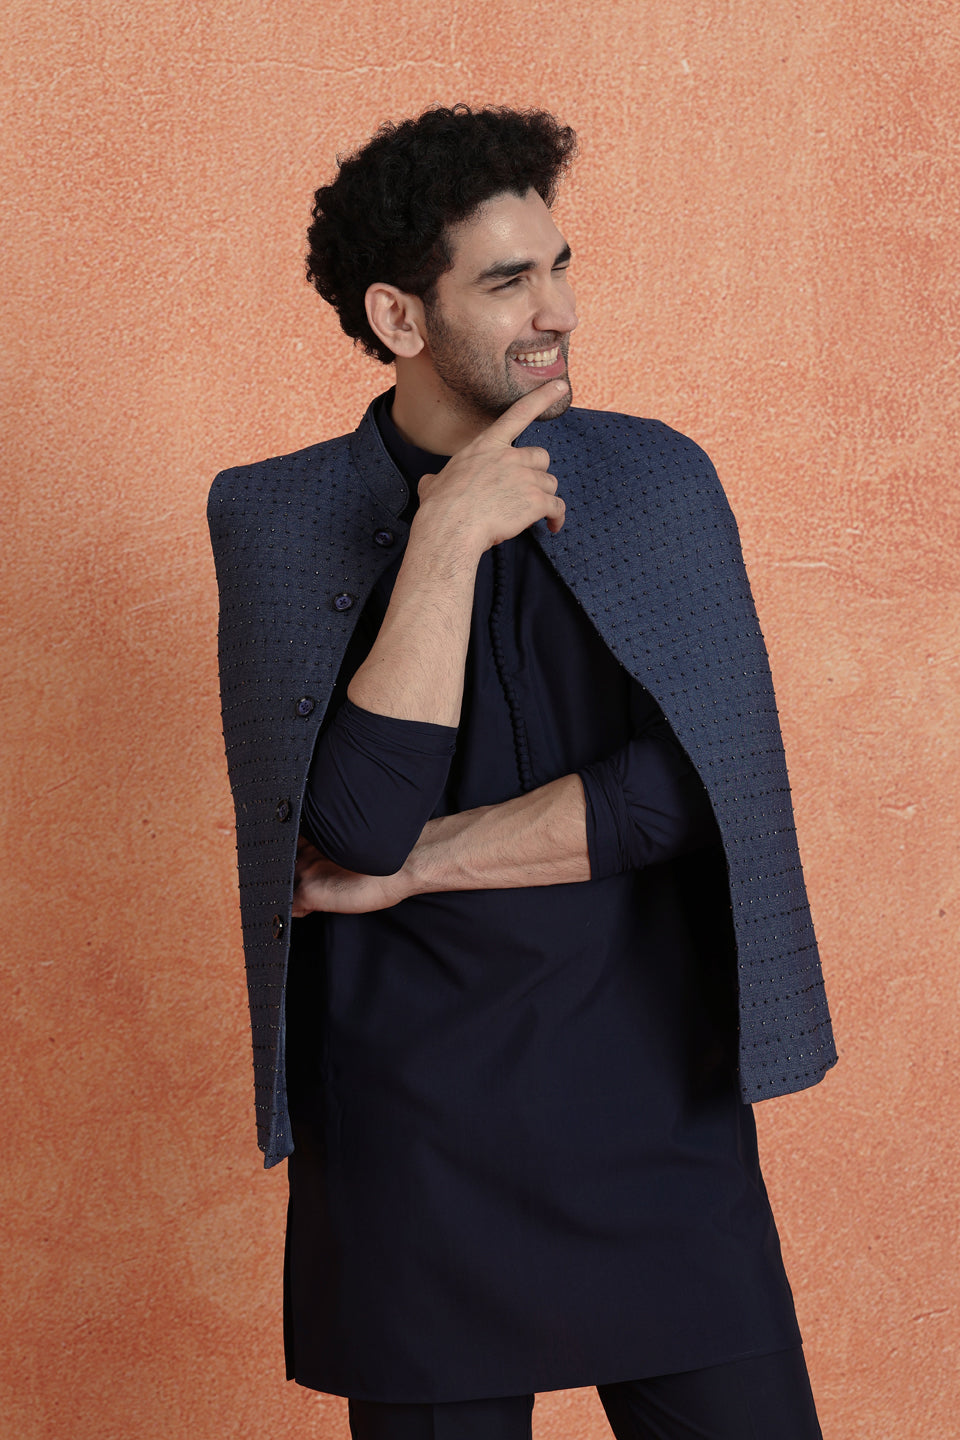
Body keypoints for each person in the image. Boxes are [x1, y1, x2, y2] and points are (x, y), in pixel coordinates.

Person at [207, 104, 837, 1440]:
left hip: (655, 1108)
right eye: (506, 282)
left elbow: (700, 791)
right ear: (398, 317)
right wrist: (445, 540)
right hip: (411, 1143)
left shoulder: (657, 482)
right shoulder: (276, 516)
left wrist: (424, 866)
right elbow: (357, 825)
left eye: (559, 265)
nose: (558, 311)